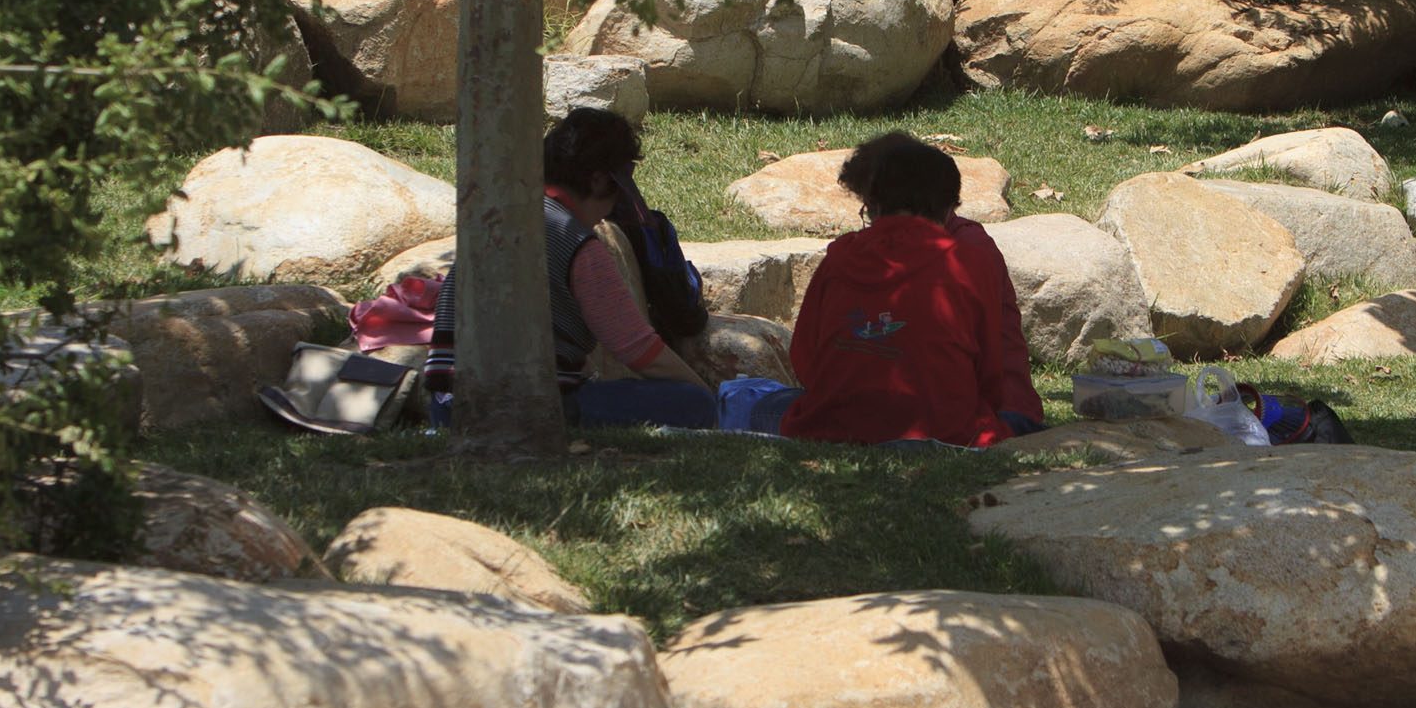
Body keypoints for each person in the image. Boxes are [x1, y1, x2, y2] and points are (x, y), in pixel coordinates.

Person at [429, 106, 721, 430]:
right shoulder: (576, 244)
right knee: (693, 404)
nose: (611, 211)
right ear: (597, 181)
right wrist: (705, 395)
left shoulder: (497, 220)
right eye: (617, 196)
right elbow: (640, 350)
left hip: (446, 407)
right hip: (517, 410)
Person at [777, 131, 1046, 448]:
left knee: (761, 400)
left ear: (876, 205)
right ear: (948, 208)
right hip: (950, 428)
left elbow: (805, 357)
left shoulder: (840, 257)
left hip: (836, 425)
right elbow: (988, 371)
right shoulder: (969, 258)